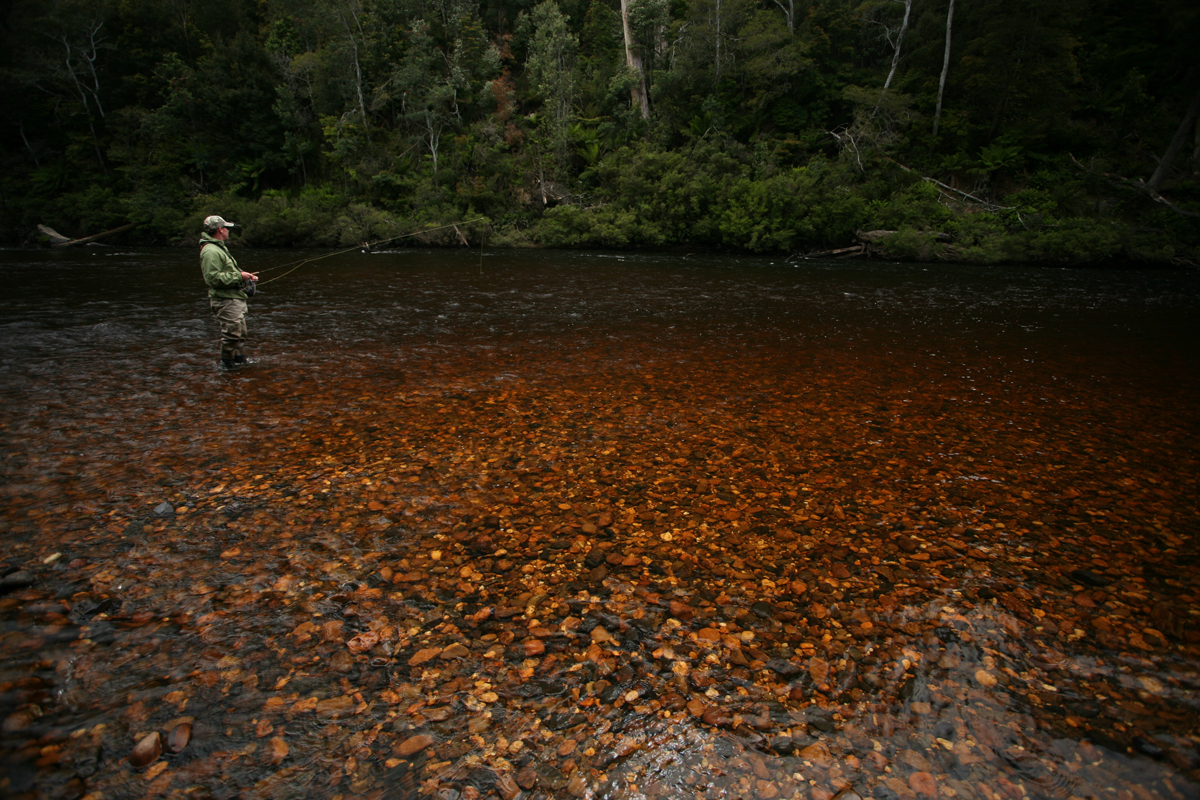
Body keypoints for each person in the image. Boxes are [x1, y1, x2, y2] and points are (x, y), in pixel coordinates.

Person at [199, 215, 257, 367]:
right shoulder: (211, 251)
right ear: (220, 229)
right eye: (226, 228)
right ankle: (227, 365)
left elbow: (226, 271)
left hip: (233, 297)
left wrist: (246, 277)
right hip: (225, 299)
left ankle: (238, 361)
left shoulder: (218, 247)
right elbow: (212, 279)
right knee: (232, 335)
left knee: (240, 333)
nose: (227, 231)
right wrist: (239, 277)